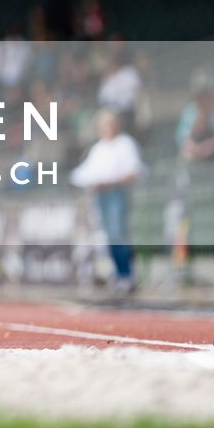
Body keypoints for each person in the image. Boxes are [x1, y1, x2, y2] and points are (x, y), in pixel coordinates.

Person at [70, 108, 143, 294]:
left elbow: (133, 171)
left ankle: (127, 274)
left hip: (116, 192)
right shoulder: (98, 149)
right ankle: (118, 274)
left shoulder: (125, 144)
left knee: (118, 234)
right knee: (109, 236)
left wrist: (113, 179)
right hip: (100, 195)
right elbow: (85, 172)